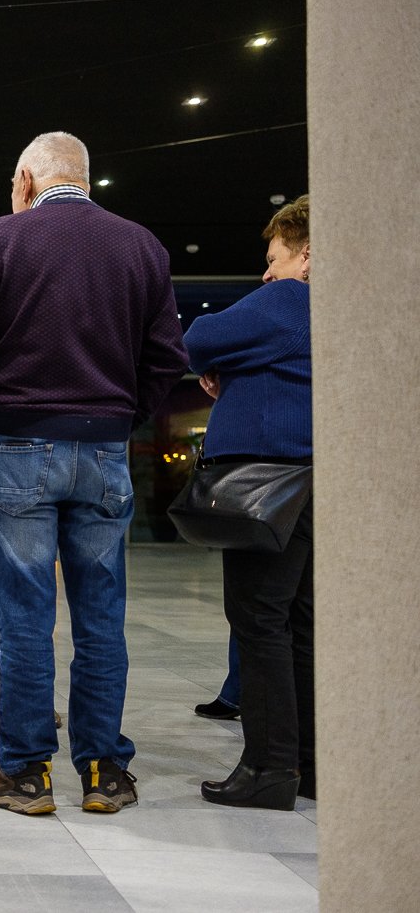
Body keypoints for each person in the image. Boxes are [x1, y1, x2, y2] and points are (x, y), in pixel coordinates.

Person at [0, 131, 188, 814]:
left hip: (17, 442)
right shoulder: (141, 246)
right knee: (102, 615)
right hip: (105, 449)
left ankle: (25, 771)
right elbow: (167, 356)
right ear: (84, 176)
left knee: (25, 616)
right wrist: (121, 416)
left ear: (26, 180)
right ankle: (105, 770)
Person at [186, 195, 314, 810]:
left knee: (260, 623)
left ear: (307, 253)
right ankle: (307, 763)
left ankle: (266, 768)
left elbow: (199, 336)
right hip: (320, 483)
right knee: (304, 626)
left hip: (268, 488)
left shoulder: (291, 298)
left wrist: (221, 366)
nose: (267, 272)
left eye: (274, 257)